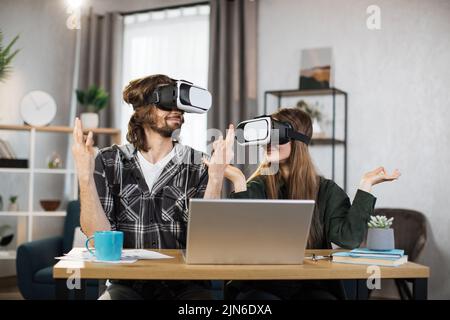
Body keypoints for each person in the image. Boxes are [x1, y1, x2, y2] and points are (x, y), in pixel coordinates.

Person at [205, 107, 401, 300]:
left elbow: (348, 239)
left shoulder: (326, 190)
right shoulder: (257, 186)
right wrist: (239, 180)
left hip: (310, 285)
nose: (268, 143)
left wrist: (365, 186)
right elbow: (238, 238)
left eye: (276, 135)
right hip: (259, 284)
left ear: (298, 141)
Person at [71, 74, 235, 299]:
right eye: (168, 102)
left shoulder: (199, 164)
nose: (176, 110)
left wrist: (216, 178)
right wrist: (85, 176)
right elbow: (97, 233)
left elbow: (205, 240)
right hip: (126, 285)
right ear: (143, 110)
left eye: (180, 105)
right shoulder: (109, 161)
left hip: (187, 286)